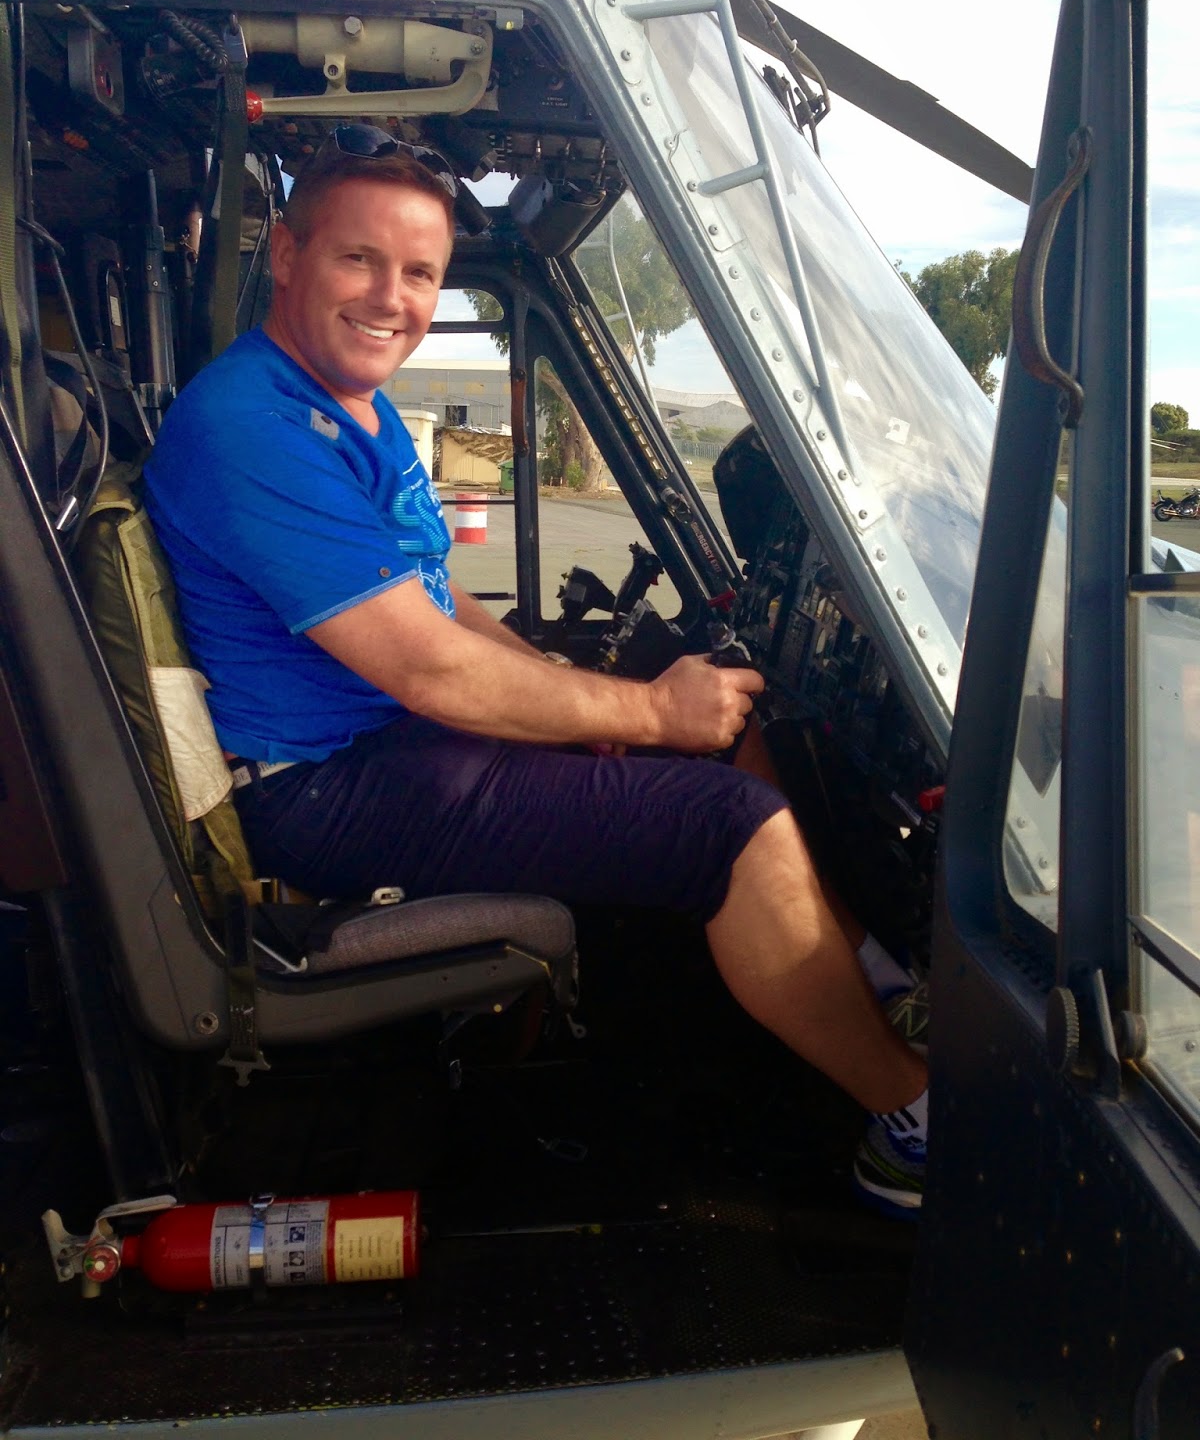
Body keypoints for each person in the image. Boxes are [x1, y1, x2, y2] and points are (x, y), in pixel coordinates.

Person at [144, 127, 928, 1216]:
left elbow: (438, 600)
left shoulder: (353, 406)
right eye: (359, 259)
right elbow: (430, 672)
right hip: (321, 788)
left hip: (387, 740)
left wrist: (599, 704)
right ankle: (913, 1120)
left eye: (420, 272)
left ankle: (877, 980)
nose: (392, 298)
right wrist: (645, 714)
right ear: (287, 254)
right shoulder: (252, 425)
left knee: (715, 719)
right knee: (728, 822)